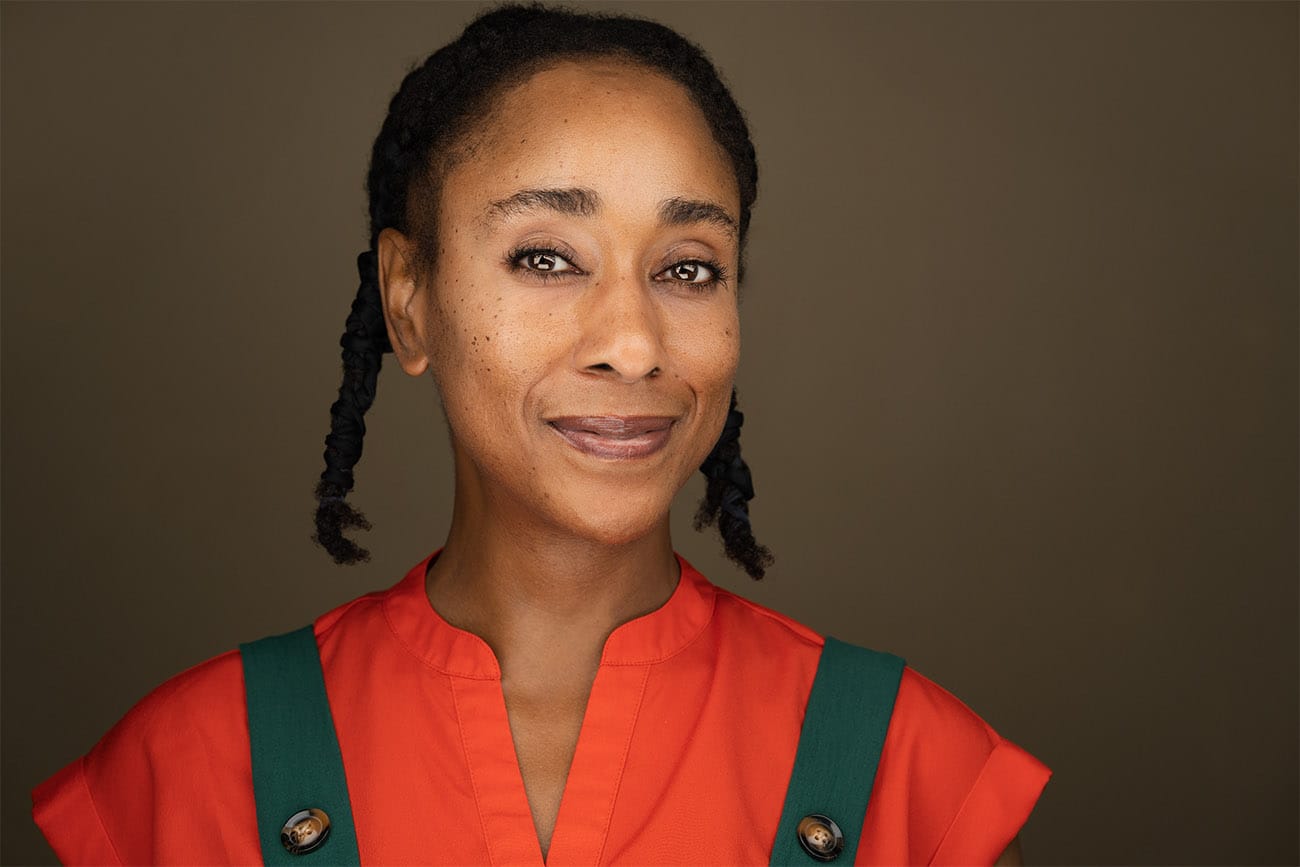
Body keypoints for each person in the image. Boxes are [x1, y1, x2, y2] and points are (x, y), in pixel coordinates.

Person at [31, 5, 1051, 864]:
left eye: (688, 267)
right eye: (548, 259)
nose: (632, 344)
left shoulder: (905, 769)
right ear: (409, 299)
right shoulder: (191, 770)